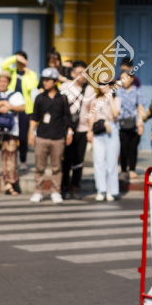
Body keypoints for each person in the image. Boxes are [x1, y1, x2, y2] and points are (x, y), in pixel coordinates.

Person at [28, 67, 73, 203]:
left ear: (55, 82)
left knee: (57, 167)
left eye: (48, 80)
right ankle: (38, 191)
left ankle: (55, 191)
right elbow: (34, 117)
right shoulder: (39, 98)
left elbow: (67, 117)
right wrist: (31, 133)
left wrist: (69, 132)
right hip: (41, 136)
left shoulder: (63, 98)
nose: (45, 83)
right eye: (44, 80)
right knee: (40, 167)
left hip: (58, 137)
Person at [60, 60, 96, 199]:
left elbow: (92, 111)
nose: (82, 76)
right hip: (66, 130)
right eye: (79, 73)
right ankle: (64, 186)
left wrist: (90, 130)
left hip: (82, 129)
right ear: (72, 73)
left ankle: (76, 185)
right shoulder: (64, 88)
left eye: (84, 73)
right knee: (66, 159)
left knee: (79, 159)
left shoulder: (90, 89)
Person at [1, 50, 39, 168]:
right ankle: (11, 161)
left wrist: (26, 73)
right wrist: (15, 58)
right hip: (11, 107)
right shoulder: (11, 72)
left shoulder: (31, 74)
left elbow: (31, 86)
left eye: (22, 61)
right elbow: (4, 65)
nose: (20, 64)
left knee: (23, 136)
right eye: (18, 61)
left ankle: (23, 160)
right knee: (11, 135)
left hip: (24, 109)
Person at [87, 80, 120, 201]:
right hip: (99, 130)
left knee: (111, 163)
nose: (102, 87)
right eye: (100, 84)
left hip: (111, 129)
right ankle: (101, 189)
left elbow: (116, 114)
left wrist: (110, 97)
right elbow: (92, 116)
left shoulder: (116, 99)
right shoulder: (95, 100)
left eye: (105, 84)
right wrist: (90, 131)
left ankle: (112, 190)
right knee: (99, 162)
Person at [116, 69, 144, 180]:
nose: (123, 80)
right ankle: (123, 170)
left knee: (133, 148)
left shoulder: (137, 91)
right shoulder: (117, 91)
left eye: (126, 78)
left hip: (135, 123)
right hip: (121, 124)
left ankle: (132, 169)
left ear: (132, 79)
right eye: (121, 78)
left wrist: (140, 123)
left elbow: (140, 107)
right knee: (123, 148)